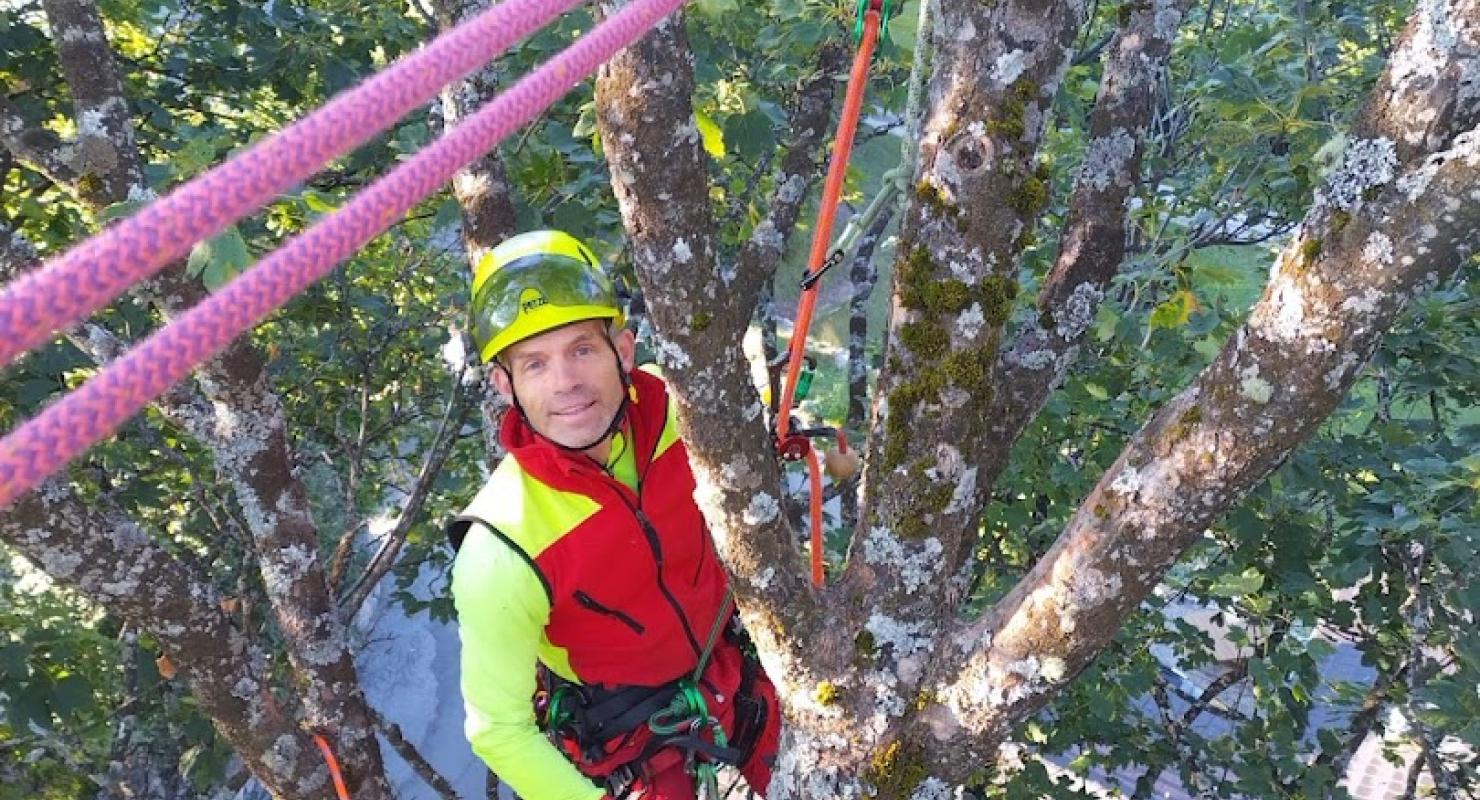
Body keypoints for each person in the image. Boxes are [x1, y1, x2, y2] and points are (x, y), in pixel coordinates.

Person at [448, 230, 781, 800]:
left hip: (737, 675)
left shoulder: (694, 413)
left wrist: (822, 455)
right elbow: (499, 731)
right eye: (534, 364)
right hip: (636, 738)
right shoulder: (502, 547)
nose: (566, 383)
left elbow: (760, 444)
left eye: (582, 348)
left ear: (622, 351)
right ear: (506, 386)